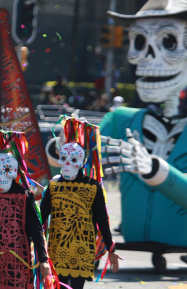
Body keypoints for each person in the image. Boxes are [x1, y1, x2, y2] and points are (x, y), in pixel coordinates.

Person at [41, 118, 122, 289]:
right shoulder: (53, 186)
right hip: (57, 250)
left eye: (73, 159)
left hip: (82, 250)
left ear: (82, 162)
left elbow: (102, 219)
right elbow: (41, 218)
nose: (68, 163)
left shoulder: (93, 187)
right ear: (59, 160)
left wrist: (111, 249)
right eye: (64, 158)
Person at [0, 130, 50, 289]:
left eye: (5, 170)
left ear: (14, 172)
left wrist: (43, 260)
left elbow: (36, 229)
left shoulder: (24, 196)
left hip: (16, 263)